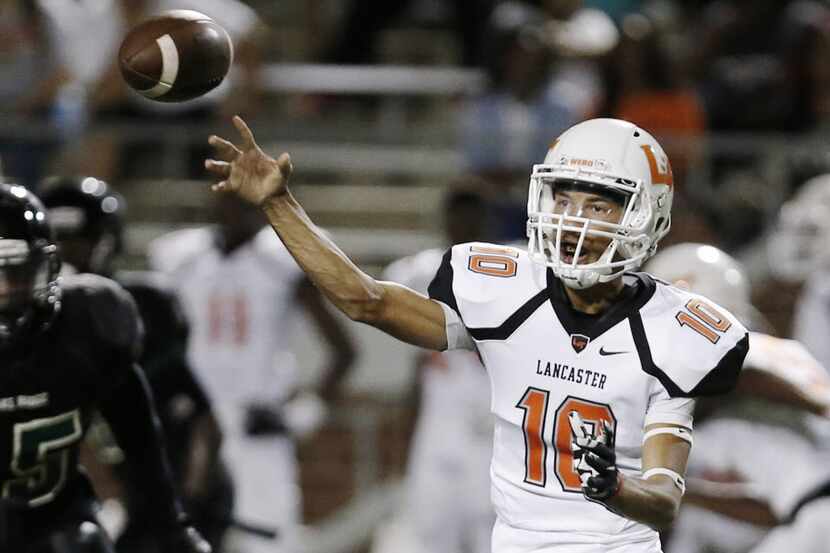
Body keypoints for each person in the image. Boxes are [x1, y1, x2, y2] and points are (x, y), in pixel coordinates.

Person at [203, 115, 750, 552]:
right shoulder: (508, 293)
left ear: (643, 216)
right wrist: (280, 204)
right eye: (563, 199)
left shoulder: (675, 332)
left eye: (598, 204)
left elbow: (663, 495)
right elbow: (364, 299)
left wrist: (617, 488)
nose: (573, 220)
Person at [0, 183, 211, 553]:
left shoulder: (88, 326)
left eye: (15, 272)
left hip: (55, 522)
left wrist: (171, 527)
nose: (3, 290)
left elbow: (138, 435)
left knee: (83, 543)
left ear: (47, 268)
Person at [148, 192, 357, 553]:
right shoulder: (180, 257)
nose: (236, 210)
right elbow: (154, 343)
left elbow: (344, 351)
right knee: (181, 538)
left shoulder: (282, 259)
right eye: (229, 199)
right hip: (195, 425)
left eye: (245, 202)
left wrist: (302, 415)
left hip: (255, 425)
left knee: (267, 541)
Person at [644, 243, 830, 553]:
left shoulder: (738, 355)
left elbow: (744, 374)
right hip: (807, 509)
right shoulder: (781, 352)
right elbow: (770, 511)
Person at [373, 184, 495, 553]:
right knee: (429, 535)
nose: (462, 224)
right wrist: (403, 438)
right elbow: (417, 367)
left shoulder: (509, 272)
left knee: (490, 537)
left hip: (488, 429)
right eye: (456, 215)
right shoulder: (422, 271)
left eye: (470, 215)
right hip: (438, 427)